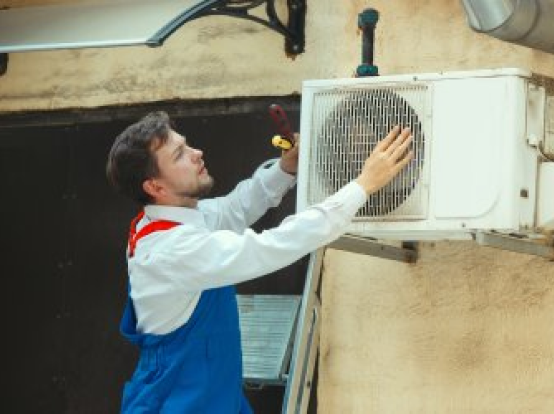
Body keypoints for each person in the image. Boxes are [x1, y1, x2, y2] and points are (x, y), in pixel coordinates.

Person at [106, 111, 413, 413]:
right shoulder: (171, 250)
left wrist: (285, 169)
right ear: (155, 188)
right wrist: (362, 186)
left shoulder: (176, 221)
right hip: (179, 403)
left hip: (214, 395)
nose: (197, 153)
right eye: (179, 155)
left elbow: (235, 208)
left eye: (187, 145)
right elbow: (271, 247)